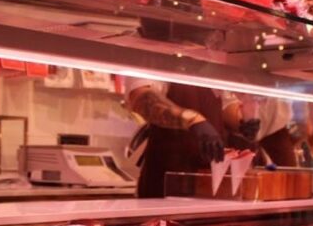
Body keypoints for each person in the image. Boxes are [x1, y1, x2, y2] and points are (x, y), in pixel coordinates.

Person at [125, 79, 294, 198]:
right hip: (165, 190)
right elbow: (140, 97)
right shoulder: (154, 47)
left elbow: (226, 106)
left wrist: (242, 121)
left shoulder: (211, 58)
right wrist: (192, 119)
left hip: (209, 188)